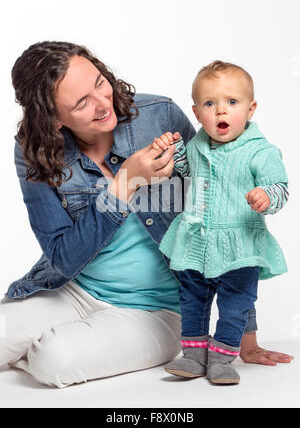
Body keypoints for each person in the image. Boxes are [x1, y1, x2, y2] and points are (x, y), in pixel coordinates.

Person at [0, 44, 293, 389]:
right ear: (52, 119)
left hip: (159, 310)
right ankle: (64, 342)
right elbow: (63, 259)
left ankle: (58, 346)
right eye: (81, 103)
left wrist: (247, 330)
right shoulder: (34, 148)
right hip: (74, 291)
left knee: (52, 360)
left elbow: (224, 212)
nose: (102, 103)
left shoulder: (159, 116)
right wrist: (125, 183)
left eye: (99, 82)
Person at [153, 61, 291, 385]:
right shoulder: (198, 144)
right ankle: (193, 355)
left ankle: (223, 355)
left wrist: (267, 196)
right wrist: (173, 152)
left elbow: (280, 187)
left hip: (238, 244)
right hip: (195, 241)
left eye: (232, 102)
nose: (220, 111)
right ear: (197, 112)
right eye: (210, 104)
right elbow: (185, 172)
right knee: (192, 298)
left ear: (250, 108)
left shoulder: (260, 151)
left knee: (235, 302)